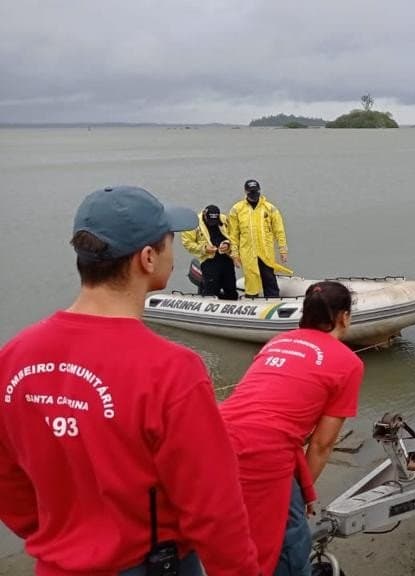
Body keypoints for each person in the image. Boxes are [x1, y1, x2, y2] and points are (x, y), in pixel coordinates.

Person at [0, 186, 260, 575]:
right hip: (152, 565)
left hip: (56, 563)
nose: (176, 253)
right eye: (170, 241)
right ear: (148, 258)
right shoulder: (170, 369)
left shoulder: (12, 357)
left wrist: (64, 538)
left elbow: (8, 483)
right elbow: (214, 509)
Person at [220, 280, 364, 575]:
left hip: (214, 438)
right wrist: (298, 493)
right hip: (262, 450)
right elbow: (322, 445)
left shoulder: (278, 341)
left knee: (234, 533)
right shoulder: (348, 363)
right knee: (287, 542)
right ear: (344, 317)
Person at [229, 179, 292, 298]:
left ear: (259, 191)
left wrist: (283, 250)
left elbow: (279, 231)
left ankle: (273, 300)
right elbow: (233, 234)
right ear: (246, 192)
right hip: (247, 252)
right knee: (251, 278)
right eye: (251, 192)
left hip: (266, 252)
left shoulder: (270, 208)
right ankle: (251, 300)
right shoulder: (237, 209)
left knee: (269, 277)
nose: (254, 195)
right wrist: (235, 254)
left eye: (255, 192)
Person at [181, 204, 238, 299]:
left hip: (226, 258)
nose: (213, 223)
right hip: (209, 261)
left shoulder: (224, 219)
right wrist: (204, 248)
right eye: (210, 221)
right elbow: (187, 243)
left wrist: (227, 244)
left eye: (215, 221)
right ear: (204, 215)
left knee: (231, 288)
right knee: (211, 289)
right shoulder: (194, 223)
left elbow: (233, 236)